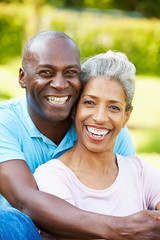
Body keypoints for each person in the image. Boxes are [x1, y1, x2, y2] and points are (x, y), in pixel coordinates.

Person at [0, 29, 159, 240]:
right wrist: (124, 228)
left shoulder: (109, 133)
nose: (59, 84)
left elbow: (130, 183)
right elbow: (25, 201)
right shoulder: (5, 123)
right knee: (8, 221)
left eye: (70, 73)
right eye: (46, 72)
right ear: (23, 77)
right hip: (22, 232)